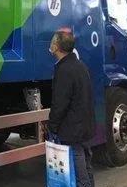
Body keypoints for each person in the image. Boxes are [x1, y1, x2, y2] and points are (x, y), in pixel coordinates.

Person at [48, 29, 96, 187]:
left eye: (53, 41)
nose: (50, 44)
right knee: (86, 162)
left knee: (77, 166)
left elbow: (60, 103)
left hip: (72, 128)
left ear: (57, 46)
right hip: (84, 125)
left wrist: (52, 126)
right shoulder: (79, 65)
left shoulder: (64, 70)